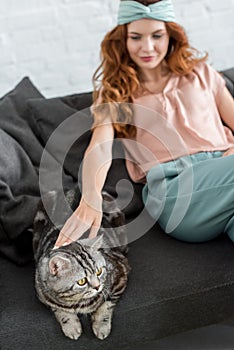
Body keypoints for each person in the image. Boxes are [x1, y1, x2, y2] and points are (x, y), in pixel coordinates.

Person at [54, 0, 234, 248]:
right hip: (175, 190)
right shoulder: (116, 93)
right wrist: (90, 197)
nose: (147, 47)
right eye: (136, 37)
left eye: (157, 35)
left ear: (171, 36)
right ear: (123, 41)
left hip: (225, 174)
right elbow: (100, 148)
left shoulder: (202, 73)